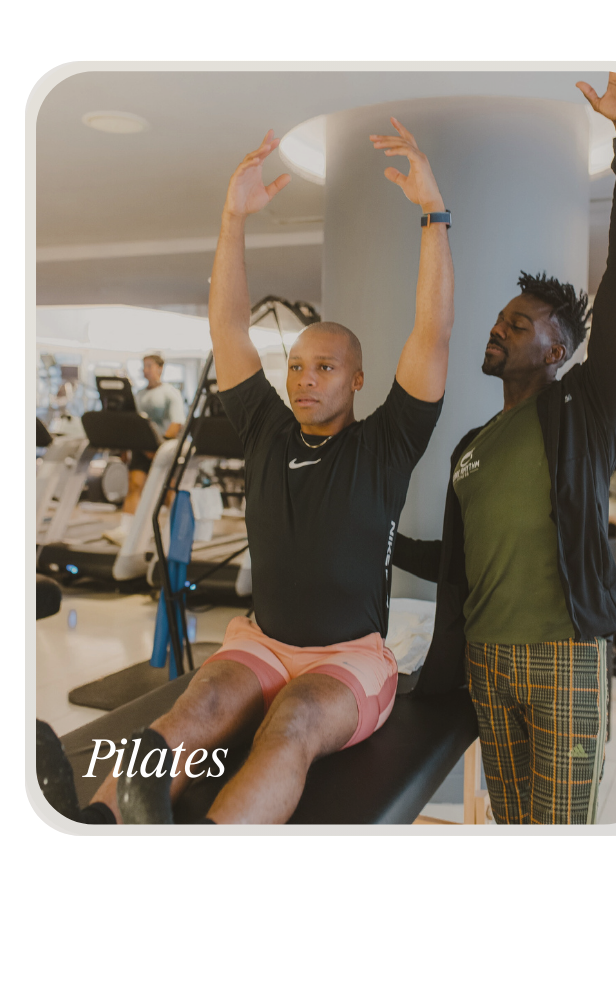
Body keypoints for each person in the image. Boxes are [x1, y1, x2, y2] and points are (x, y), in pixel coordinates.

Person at [38, 119, 454, 824]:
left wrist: (433, 212)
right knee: (192, 709)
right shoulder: (266, 427)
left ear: (358, 379)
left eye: (325, 368)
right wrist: (232, 219)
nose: (305, 379)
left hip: (348, 660)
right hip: (261, 642)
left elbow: (433, 333)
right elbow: (228, 328)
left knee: (290, 726)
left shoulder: (388, 442)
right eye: (297, 366)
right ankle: (100, 821)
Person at [393, 72, 616, 825]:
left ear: (558, 350)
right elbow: (456, 560)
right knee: (511, 820)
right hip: (485, 659)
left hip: (563, 656)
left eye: (519, 323)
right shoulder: (471, 447)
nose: (498, 327)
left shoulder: (583, 410)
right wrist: (375, 535)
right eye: (500, 318)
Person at [103, 353, 185, 545]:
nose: (145, 370)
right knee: (135, 485)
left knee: (167, 492)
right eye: (144, 366)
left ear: (160, 368)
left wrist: (159, 448)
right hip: (141, 446)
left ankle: (178, 530)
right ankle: (126, 530)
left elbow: (177, 423)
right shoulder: (139, 395)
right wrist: (125, 448)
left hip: (163, 448)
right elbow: (132, 423)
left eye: (149, 366)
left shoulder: (170, 393)